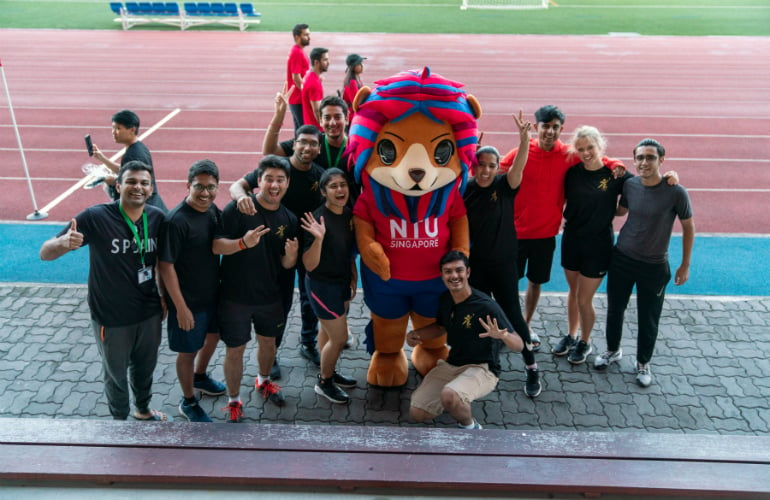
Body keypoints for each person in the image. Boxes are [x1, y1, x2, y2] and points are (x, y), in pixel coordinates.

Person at [40, 160, 171, 422]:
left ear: (151, 188)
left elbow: (160, 264)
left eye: (144, 183)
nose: (138, 187)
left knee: (145, 369)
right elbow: (45, 253)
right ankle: (119, 424)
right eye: (131, 182)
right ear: (119, 185)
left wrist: (164, 298)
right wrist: (64, 243)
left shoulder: (157, 218)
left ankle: (143, 410)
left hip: (148, 312)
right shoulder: (95, 217)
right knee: (116, 375)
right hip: (111, 317)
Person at [499, 105, 622, 352]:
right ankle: (507, 328)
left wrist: (616, 162)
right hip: (515, 233)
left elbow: (596, 158)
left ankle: (526, 324)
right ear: (536, 128)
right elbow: (495, 172)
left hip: (545, 235)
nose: (550, 132)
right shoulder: (520, 152)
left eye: (555, 127)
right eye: (545, 126)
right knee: (508, 283)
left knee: (536, 283)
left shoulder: (568, 154)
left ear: (561, 129)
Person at [594, 138, 694, 388]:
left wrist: (685, 265)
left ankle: (642, 362)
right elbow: (620, 211)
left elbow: (688, 226)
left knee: (648, 316)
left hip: (654, 265)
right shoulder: (630, 185)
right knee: (615, 309)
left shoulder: (675, 191)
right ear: (634, 160)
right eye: (640, 157)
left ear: (662, 160)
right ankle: (612, 351)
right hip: (622, 259)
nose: (644, 162)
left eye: (650, 157)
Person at [231, 125, 325, 372]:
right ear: (293, 143)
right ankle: (270, 356)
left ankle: (308, 342)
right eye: (302, 141)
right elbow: (238, 185)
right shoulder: (277, 168)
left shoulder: (319, 174)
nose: (307, 147)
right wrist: (241, 197)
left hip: (304, 245)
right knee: (280, 303)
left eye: (313, 143)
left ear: (318, 148)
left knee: (308, 299)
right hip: (276, 249)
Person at [213, 155, 299, 422]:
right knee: (235, 350)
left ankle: (263, 381)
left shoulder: (289, 218)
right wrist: (242, 243)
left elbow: (286, 264)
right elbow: (216, 246)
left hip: (270, 296)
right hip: (235, 297)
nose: (274, 185)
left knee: (268, 343)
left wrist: (292, 255)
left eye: (280, 180)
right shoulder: (239, 208)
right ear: (258, 181)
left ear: (287, 183)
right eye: (269, 179)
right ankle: (234, 400)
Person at [463, 112, 541, 398]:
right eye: (481, 165)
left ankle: (531, 367)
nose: (485, 170)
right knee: (482, 315)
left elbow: (518, 168)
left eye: (491, 166)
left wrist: (524, 139)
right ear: (475, 167)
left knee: (512, 315)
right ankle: (486, 362)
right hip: (478, 267)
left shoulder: (504, 187)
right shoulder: (466, 190)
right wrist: (468, 148)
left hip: (505, 265)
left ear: (498, 168)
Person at [407, 251, 523, 429]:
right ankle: (457, 400)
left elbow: (519, 344)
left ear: (468, 272)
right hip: (452, 364)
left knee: (450, 395)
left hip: (483, 368)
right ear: (442, 275)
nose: (454, 276)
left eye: (459, 270)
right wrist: (417, 334)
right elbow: (440, 327)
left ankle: (471, 427)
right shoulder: (446, 299)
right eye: (448, 271)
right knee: (418, 413)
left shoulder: (485, 306)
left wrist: (503, 335)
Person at [157, 159, 227, 422]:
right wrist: (181, 307)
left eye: (210, 187)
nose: (205, 193)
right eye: (199, 187)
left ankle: (200, 376)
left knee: (213, 337)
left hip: (212, 295)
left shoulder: (212, 211)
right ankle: (188, 401)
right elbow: (165, 265)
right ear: (188, 185)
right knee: (187, 351)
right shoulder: (176, 221)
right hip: (187, 302)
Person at [301, 168, 358, 404]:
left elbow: (348, 252)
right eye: (333, 186)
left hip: (341, 281)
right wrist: (319, 239)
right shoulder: (315, 220)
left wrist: (353, 276)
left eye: (342, 184)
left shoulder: (348, 214)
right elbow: (309, 265)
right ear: (324, 191)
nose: (339, 189)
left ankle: (329, 371)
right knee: (340, 337)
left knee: (326, 331)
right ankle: (324, 383)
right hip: (322, 286)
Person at [91, 109, 167, 212]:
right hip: (149, 204)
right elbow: (125, 170)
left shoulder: (134, 154)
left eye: (118, 128)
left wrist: (110, 180)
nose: (113, 132)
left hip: (145, 208)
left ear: (132, 130)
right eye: (113, 128)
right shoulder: (138, 147)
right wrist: (102, 158)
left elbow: (135, 183)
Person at [286, 23, 310, 131]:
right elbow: (296, 77)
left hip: (297, 98)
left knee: (299, 129)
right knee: (303, 129)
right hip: (298, 98)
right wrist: (306, 93)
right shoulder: (297, 52)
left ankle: (297, 148)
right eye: (305, 35)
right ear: (297, 37)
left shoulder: (298, 50)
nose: (309, 37)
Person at [301, 47, 329, 129]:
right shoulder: (314, 83)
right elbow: (317, 110)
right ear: (316, 62)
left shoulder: (309, 75)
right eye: (325, 60)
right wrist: (324, 127)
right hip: (316, 129)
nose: (328, 62)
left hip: (309, 124)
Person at [341, 53, 366, 125]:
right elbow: (356, 102)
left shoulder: (357, 79)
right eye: (359, 64)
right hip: (352, 117)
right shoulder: (352, 82)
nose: (362, 66)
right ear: (353, 67)